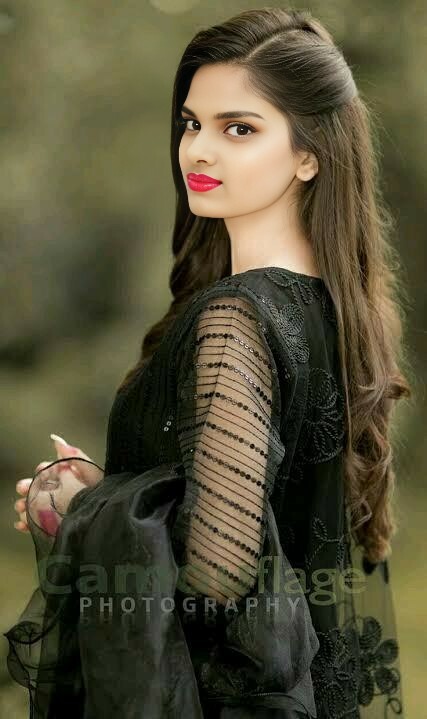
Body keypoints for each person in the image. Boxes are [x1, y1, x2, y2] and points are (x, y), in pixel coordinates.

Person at [8, 7, 412, 719]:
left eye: (239, 128)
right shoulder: (334, 311)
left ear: (310, 153)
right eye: (192, 123)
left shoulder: (236, 318)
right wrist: (116, 492)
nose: (198, 150)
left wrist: (81, 510)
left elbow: (218, 572)